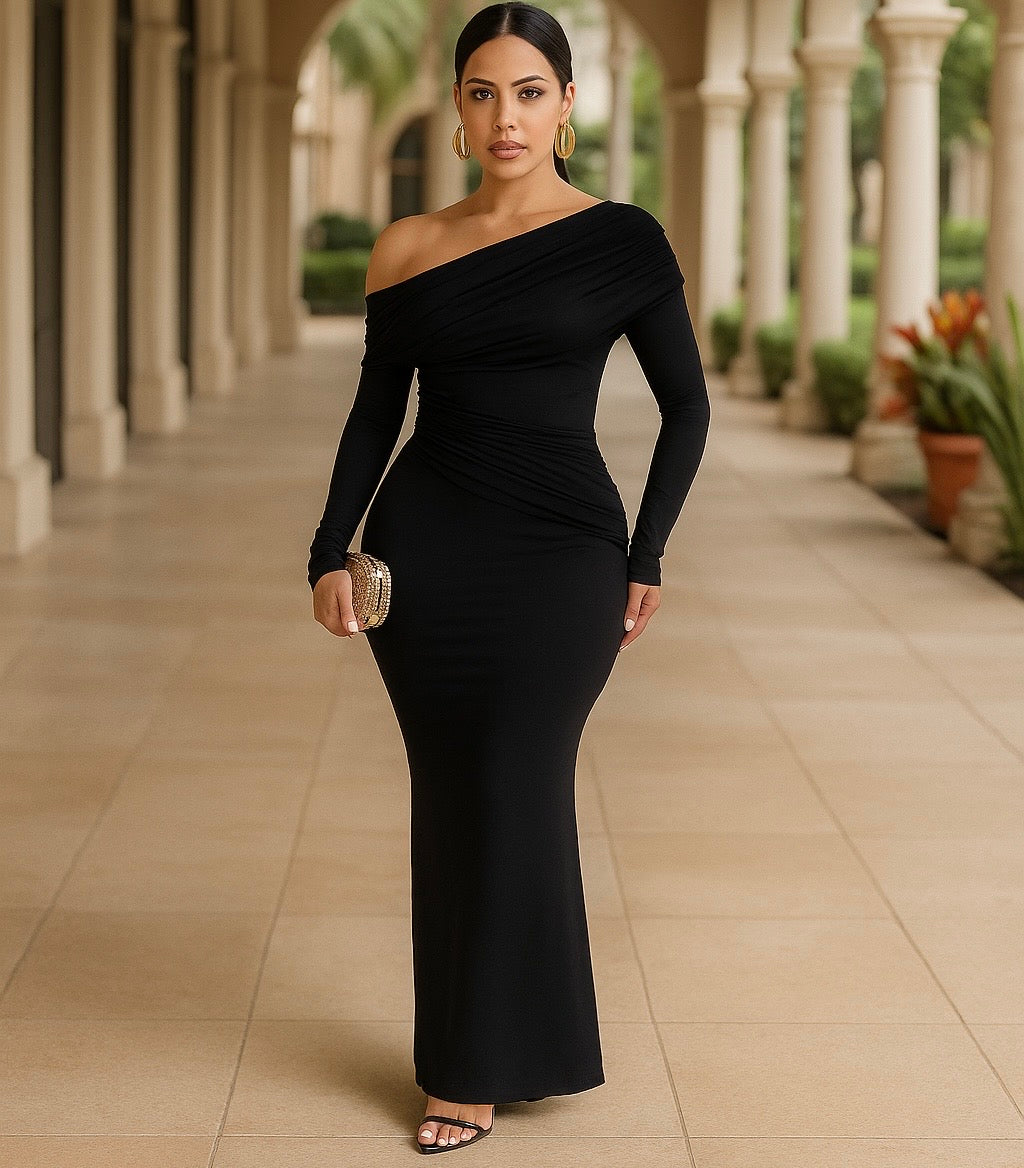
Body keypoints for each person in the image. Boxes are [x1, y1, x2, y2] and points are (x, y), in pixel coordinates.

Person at [307, 1, 711, 1155]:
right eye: (483, 91)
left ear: (569, 104)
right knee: (456, 796)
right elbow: (376, 412)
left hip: (563, 557)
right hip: (424, 554)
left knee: (518, 782)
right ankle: (479, 1053)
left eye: (529, 90)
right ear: (458, 108)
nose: (506, 115)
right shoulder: (407, 247)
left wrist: (647, 555)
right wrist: (329, 549)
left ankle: (484, 1061)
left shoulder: (622, 239)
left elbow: (686, 406)